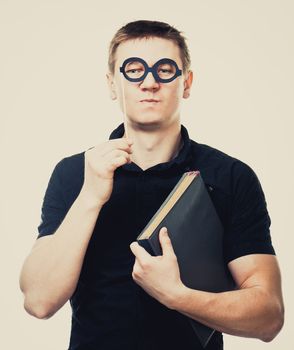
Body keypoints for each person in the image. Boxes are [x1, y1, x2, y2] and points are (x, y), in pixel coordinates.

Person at [19, 20, 284, 350]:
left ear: (186, 83)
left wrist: (178, 296)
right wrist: (90, 196)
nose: (149, 82)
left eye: (165, 69)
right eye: (133, 69)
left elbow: (269, 316)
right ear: (112, 84)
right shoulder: (75, 174)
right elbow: (39, 301)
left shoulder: (230, 176)